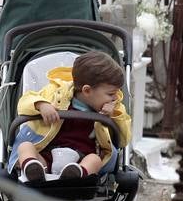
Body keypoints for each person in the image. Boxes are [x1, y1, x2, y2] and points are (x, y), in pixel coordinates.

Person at [9, 50, 131, 182]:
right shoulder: (56, 93)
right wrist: (41, 104)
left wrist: (114, 117)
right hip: (47, 155)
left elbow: (123, 140)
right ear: (87, 90)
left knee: (94, 160)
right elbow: (25, 101)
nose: (115, 98)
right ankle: (32, 168)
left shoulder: (115, 108)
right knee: (25, 146)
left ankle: (75, 176)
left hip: (82, 158)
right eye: (111, 93)